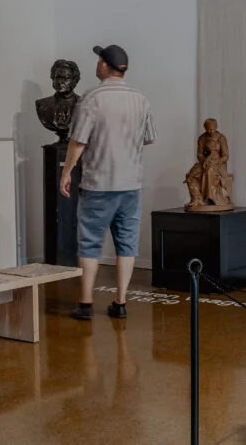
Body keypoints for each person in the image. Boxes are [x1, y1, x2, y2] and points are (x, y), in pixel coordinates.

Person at [60, 44, 157, 320]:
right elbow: (149, 137)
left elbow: (78, 141)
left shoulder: (92, 98)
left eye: (98, 59)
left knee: (90, 243)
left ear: (103, 65)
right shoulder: (141, 98)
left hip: (98, 184)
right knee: (126, 244)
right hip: (131, 184)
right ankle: (121, 303)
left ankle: (86, 304)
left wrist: (67, 171)